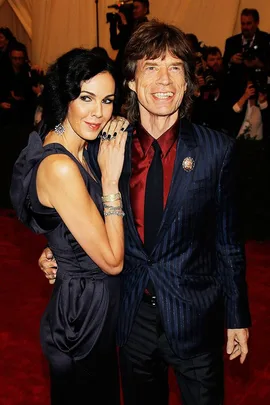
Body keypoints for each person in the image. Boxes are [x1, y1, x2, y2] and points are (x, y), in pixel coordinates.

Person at [39, 21, 251, 405]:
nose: (163, 79)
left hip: (194, 319)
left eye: (175, 68)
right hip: (130, 316)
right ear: (133, 82)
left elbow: (229, 243)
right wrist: (58, 247)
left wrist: (237, 317)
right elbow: (83, 208)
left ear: (188, 82)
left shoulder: (217, 152)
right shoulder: (106, 145)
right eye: (151, 67)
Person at [10, 47, 128, 405]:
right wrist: (110, 183)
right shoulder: (60, 164)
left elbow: (66, 223)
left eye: (107, 100)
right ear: (66, 97)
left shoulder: (80, 147)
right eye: (86, 97)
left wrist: (57, 248)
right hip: (83, 315)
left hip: (92, 304)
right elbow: (112, 260)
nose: (99, 112)